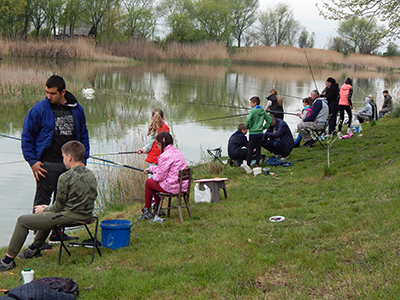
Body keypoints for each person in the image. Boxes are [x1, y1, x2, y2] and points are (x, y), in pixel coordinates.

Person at [0, 141, 97, 271]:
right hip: (88, 216)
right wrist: (48, 210)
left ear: (69, 157)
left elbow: (57, 208)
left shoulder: (65, 177)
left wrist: (43, 209)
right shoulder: (90, 174)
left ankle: (7, 262)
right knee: (48, 216)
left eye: (63, 157)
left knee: (22, 221)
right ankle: (33, 250)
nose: (63, 160)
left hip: (70, 217)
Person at [21, 75, 90, 245]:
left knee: (63, 200)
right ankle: (38, 241)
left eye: (52, 93)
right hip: (46, 164)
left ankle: (56, 234)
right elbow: (27, 136)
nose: (48, 96)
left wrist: (84, 158)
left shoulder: (76, 108)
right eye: (46, 92)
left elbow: (84, 134)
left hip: (71, 164)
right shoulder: (39, 109)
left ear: (63, 92)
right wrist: (32, 161)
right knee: (42, 201)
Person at [138, 132, 188, 220]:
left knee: (149, 182)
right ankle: (158, 209)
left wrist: (153, 175)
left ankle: (147, 211)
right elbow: (164, 170)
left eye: (156, 143)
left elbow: (160, 177)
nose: (156, 145)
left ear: (160, 144)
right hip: (182, 185)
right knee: (154, 182)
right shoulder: (176, 152)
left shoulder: (164, 156)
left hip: (173, 187)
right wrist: (152, 169)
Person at [137, 108, 169, 177]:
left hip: (154, 158)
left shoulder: (154, 128)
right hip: (163, 156)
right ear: (163, 117)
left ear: (151, 117)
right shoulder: (166, 128)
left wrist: (144, 149)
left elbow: (149, 143)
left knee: (152, 176)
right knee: (161, 175)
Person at [245, 96, 273, 167]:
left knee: (250, 149)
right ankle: (257, 164)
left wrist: (247, 126)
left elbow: (248, 119)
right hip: (260, 133)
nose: (250, 105)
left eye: (251, 103)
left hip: (253, 133)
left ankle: (248, 164)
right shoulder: (263, 111)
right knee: (258, 149)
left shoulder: (252, 111)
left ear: (255, 103)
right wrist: (264, 127)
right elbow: (270, 120)